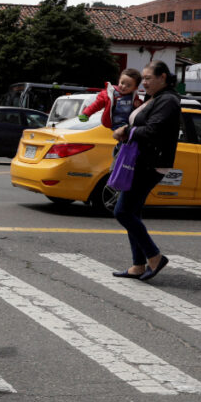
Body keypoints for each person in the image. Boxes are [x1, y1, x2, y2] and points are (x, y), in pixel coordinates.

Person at [110, 60, 179, 281]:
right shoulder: (155, 98)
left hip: (150, 163)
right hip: (140, 161)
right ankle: (138, 265)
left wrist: (126, 130)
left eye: (148, 78)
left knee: (122, 212)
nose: (144, 82)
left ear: (163, 77)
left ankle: (154, 256)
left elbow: (153, 130)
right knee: (132, 213)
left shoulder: (168, 100)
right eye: (144, 78)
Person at [79, 68, 143, 132]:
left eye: (128, 85)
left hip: (129, 124)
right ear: (119, 81)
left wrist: (138, 104)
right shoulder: (109, 94)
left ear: (135, 88)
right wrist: (86, 113)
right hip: (115, 124)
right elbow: (96, 105)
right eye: (122, 83)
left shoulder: (134, 97)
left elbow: (142, 109)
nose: (123, 86)